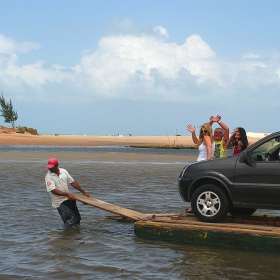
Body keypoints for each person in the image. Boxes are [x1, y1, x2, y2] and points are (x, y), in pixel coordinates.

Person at [45, 158, 90, 226]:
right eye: (49, 167)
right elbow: (53, 190)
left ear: (57, 165)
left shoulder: (64, 171)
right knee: (71, 222)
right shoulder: (48, 177)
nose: (49, 169)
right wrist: (67, 194)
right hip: (60, 202)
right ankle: (69, 235)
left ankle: (76, 236)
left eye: (51, 167)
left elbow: (73, 182)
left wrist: (83, 192)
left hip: (68, 199)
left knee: (77, 220)